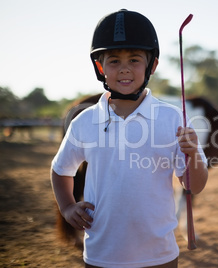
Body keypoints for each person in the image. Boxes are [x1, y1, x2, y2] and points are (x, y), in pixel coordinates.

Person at [51, 9, 208, 268]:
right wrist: (67, 206)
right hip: (101, 256)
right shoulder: (85, 121)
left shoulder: (172, 119)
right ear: (100, 67)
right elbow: (60, 170)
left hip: (160, 256)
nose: (124, 69)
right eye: (114, 61)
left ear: (152, 66)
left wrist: (192, 156)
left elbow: (195, 185)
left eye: (134, 59)